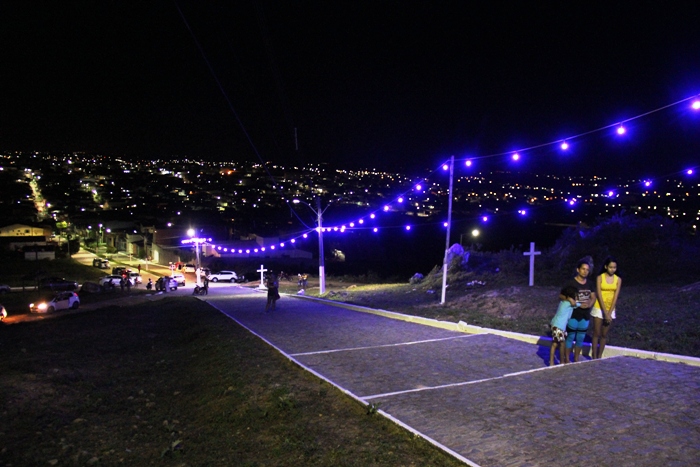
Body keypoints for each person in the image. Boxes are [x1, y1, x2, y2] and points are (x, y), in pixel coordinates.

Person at [561, 259, 597, 362]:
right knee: (570, 336)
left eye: (587, 270)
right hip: (573, 313)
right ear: (578, 269)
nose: (585, 271)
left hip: (585, 314)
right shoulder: (571, 283)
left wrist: (590, 304)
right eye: (583, 269)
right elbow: (561, 295)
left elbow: (593, 296)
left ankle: (576, 359)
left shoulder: (590, 284)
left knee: (581, 337)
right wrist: (569, 299)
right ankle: (567, 358)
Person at [590, 257, 622, 359]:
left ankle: (599, 356)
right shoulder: (600, 278)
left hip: (610, 308)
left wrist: (609, 312)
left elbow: (616, 296)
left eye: (614, 267)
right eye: (610, 267)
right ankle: (594, 356)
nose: (612, 269)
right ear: (606, 267)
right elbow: (599, 294)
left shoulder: (618, 279)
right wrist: (604, 312)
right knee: (596, 333)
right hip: (599, 307)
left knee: (604, 334)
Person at [550, 286, 580, 366]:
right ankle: (558, 361)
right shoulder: (568, 304)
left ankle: (556, 361)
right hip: (558, 326)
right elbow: (578, 304)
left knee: (557, 344)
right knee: (559, 344)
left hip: (557, 325)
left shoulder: (563, 302)